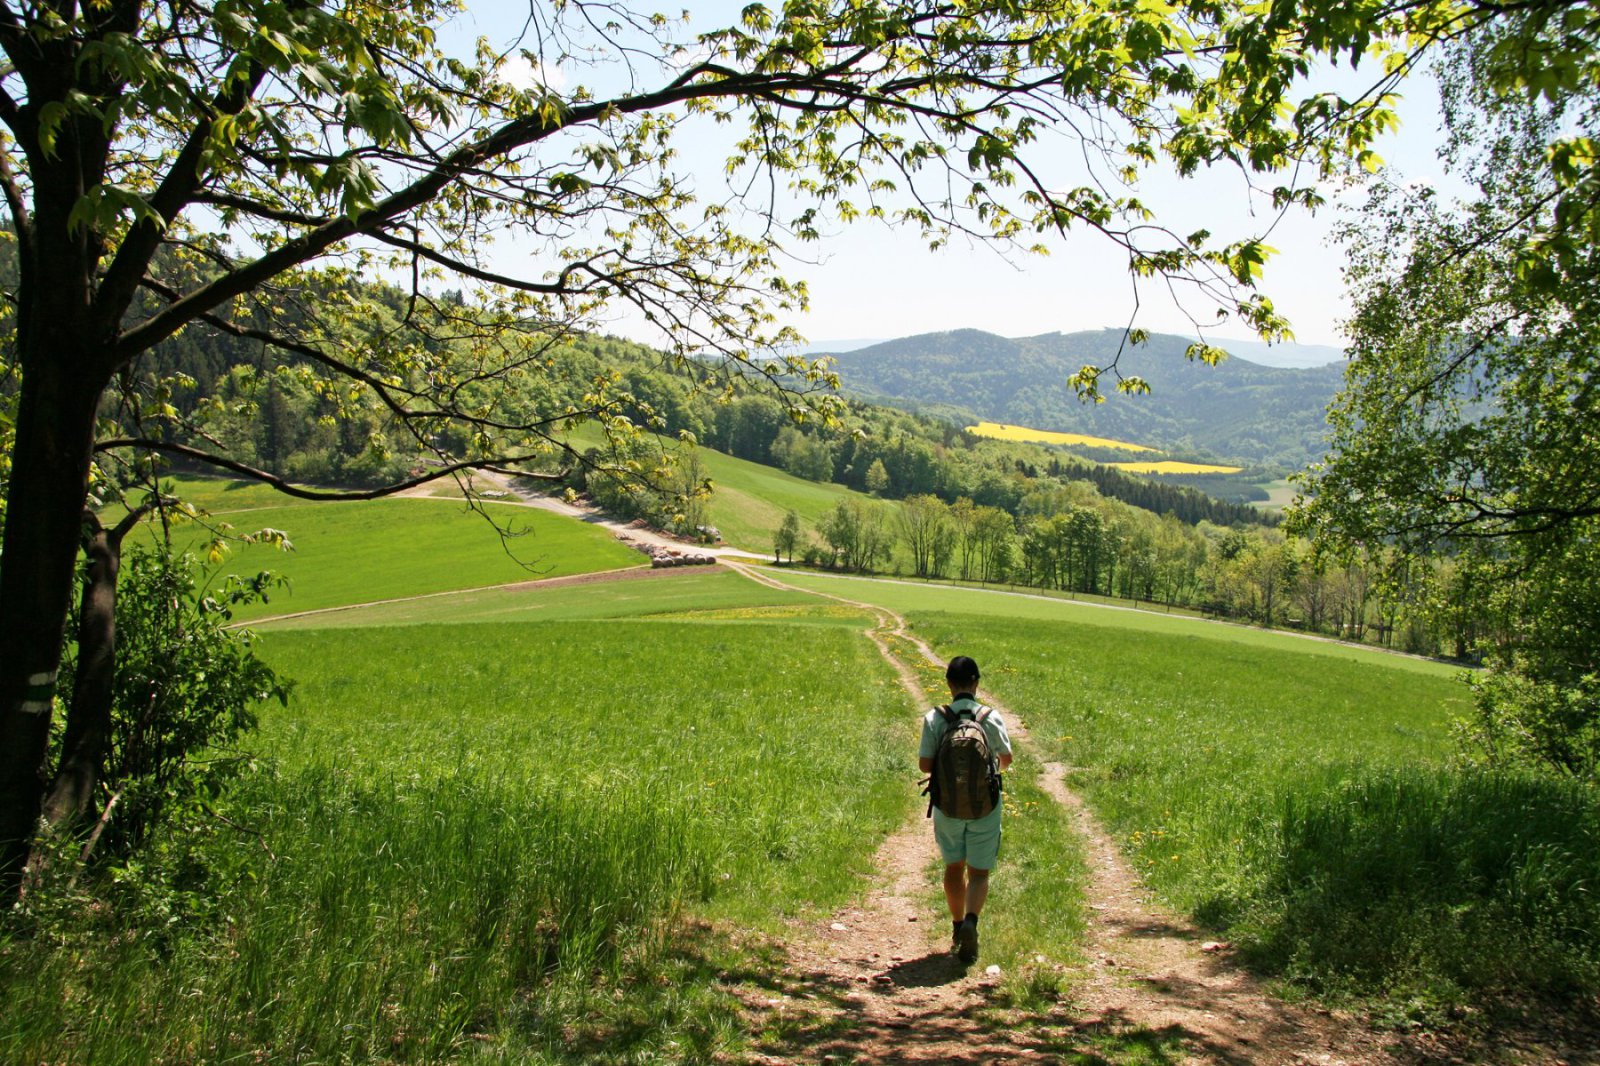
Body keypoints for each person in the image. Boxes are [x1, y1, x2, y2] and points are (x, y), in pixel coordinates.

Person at [918, 655, 1013, 964]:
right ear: (976, 683)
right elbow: (1006, 758)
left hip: (947, 805)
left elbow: (925, 764)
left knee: (954, 867)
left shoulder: (935, 718)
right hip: (984, 806)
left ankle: (958, 928)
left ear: (949, 684)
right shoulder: (990, 716)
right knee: (980, 872)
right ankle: (972, 920)